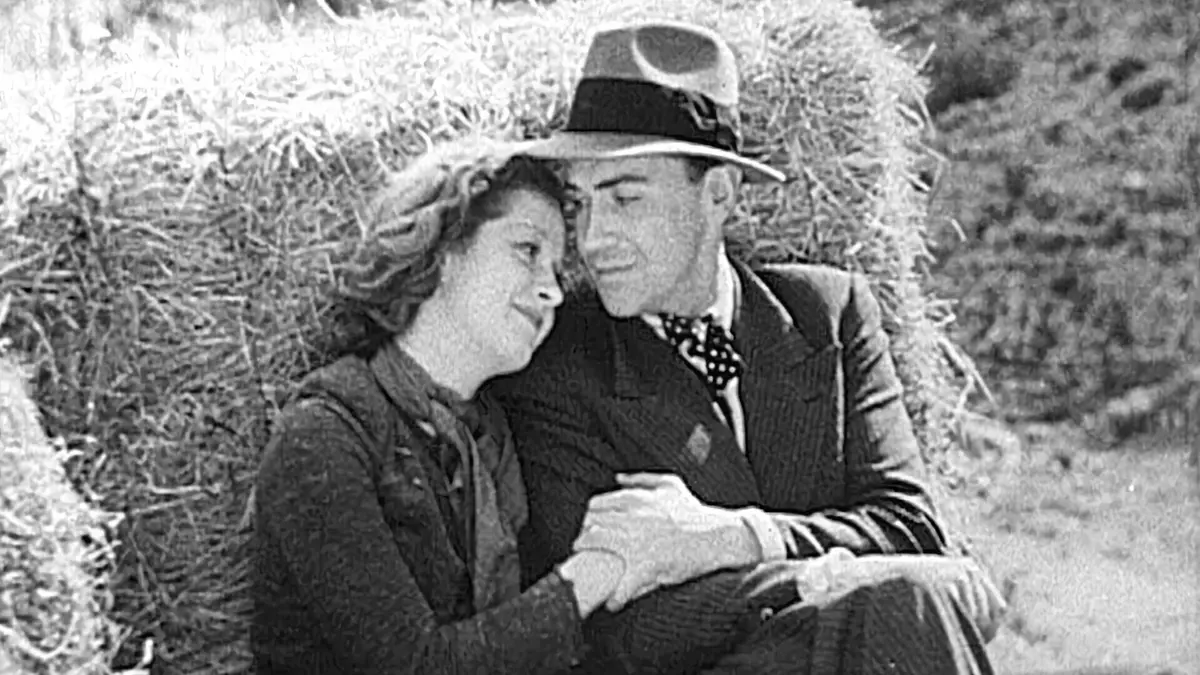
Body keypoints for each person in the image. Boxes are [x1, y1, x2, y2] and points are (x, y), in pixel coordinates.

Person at [484, 20, 1009, 674]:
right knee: (912, 606)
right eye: (580, 204)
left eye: (625, 198)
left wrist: (731, 537)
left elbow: (911, 526)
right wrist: (834, 580)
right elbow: (615, 622)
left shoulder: (828, 314)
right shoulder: (557, 364)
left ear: (719, 194)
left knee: (909, 609)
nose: (592, 239)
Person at [248, 137, 688, 674]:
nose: (552, 291)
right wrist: (599, 568)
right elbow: (417, 667)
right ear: (442, 248)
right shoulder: (324, 436)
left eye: (556, 270)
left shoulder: (493, 436)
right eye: (528, 251)